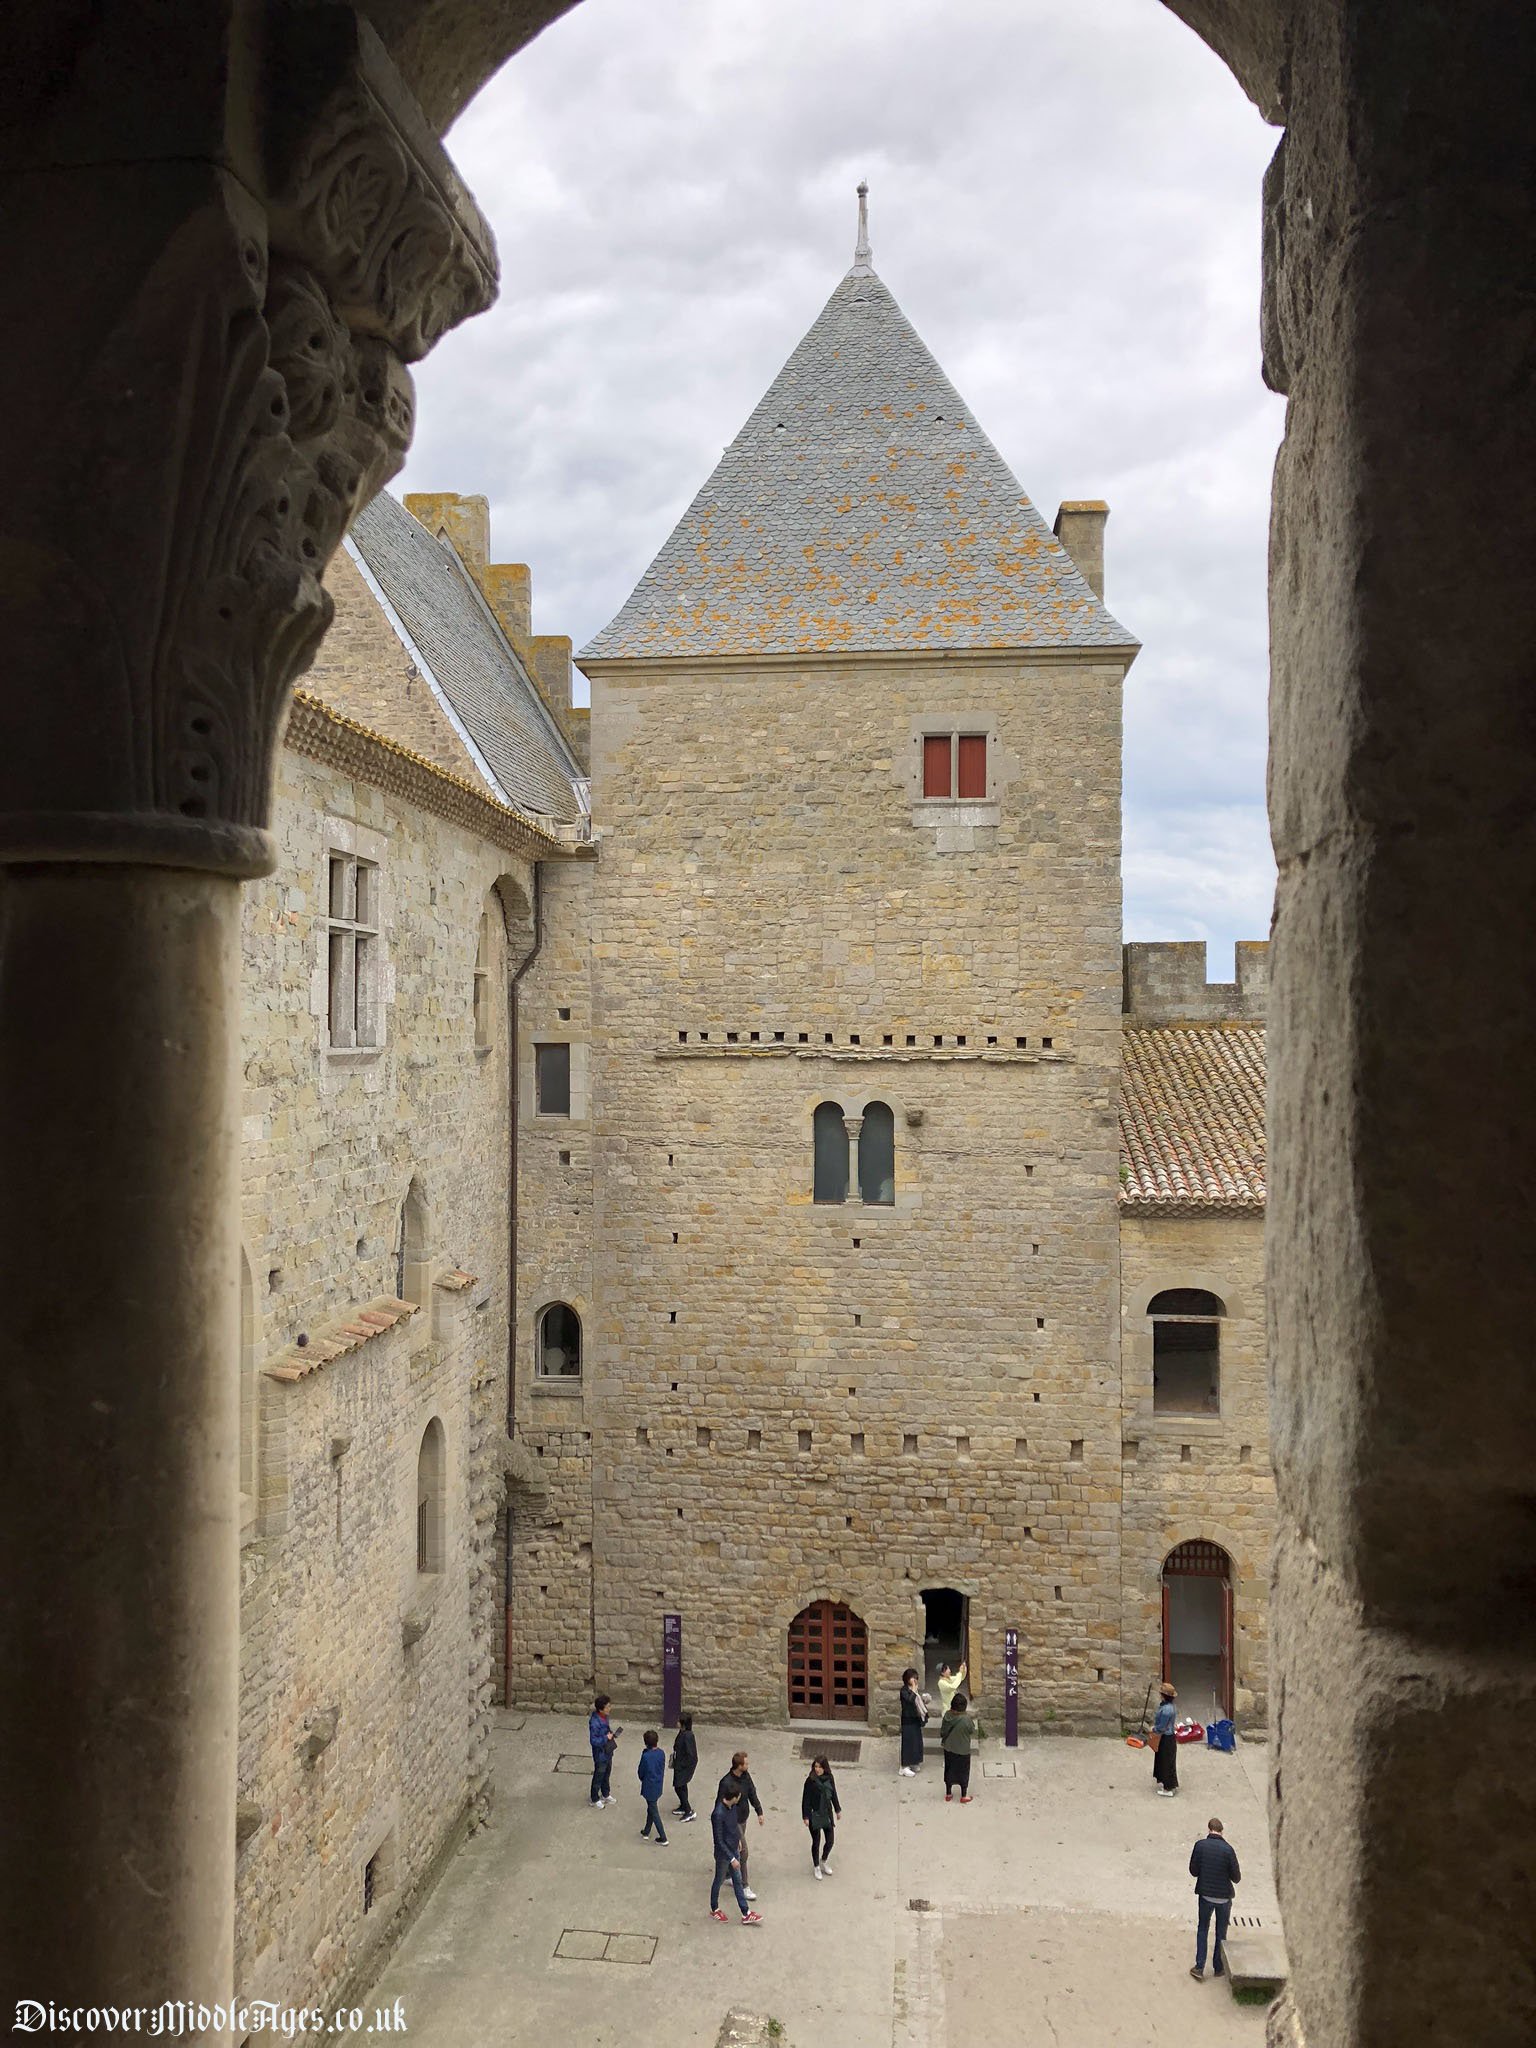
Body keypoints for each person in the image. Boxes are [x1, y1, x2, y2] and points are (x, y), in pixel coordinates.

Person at [1188, 1817, 1242, 1980]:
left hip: (1205, 1895)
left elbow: (1193, 1871)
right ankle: (1218, 1967)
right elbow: (1236, 1877)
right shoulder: (1228, 1849)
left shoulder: (1200, 1846)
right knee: (1221, 1932)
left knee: (1203, 1929)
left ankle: (1199, 1967)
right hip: (1224, 1898)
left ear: (1208, 1828)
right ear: (1221, 1831)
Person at [709, 1785, 762, 1925]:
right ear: (733, 1797)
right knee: (718, 1880)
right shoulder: (718, 1814)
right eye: (738, 1796)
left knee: (738, 1880)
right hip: (723, 1855)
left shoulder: (732, 1808)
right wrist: (731, 1858)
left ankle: (746, 1913)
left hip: (733, 1849)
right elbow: (719, 1840)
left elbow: (733, 1826)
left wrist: (738, 1839)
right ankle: (714, 1908)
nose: (740, 1798)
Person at [716, 1750, 765, 1899]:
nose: (748, 1765)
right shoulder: (726, 1783)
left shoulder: (745, 1776)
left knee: (734, 1848)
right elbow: (720, 1804)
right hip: (732, 1821)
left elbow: (752, 1793)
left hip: (743, 1817)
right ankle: (744, 1885)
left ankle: (727, 1874)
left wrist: (759, 1811)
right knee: (743, 1852)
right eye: (746, 1763)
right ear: (739, 1766)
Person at [801, 1754, 842, 1879]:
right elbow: (806, 1800)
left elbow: (833, 1793)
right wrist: (806, 1816)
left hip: (826, 1812)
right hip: (814, 1814)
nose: (817, 1769)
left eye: (819, 1767)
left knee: (830, 1840)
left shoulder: (829, 1778)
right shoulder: (810, 1781)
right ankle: (816, 1866)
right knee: (816, 1841)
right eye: (815, 1767)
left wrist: (837, 1809)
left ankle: (823, 1860)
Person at [939, 1690, 983, 1803]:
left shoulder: (947, 1716)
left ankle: (948, 1793)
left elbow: (943, 1731)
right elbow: (971, 1730)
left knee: (949, 1770)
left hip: (948, 1748)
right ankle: (964, 1795)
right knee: (963, 1772)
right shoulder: (966, 1719)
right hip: (963, 1750)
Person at [588, 1694, 620, 1808]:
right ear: (601, 1709)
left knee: (606, 1773)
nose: (609, 1708)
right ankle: (594, 1798)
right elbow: (593, 1741)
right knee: (598, 1775)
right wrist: (606, 1738)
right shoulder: (595, 1723)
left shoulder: (604, 1717)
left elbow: (606, 1729)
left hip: (607, 1751)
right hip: (600, 1754)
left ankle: (605, 1794)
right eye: (608, 1706)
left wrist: (611, 1734)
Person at [637, 1728, 668, 1844]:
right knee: (651, 1807)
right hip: (658, 1785)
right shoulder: (661, 1753)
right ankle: (646, 1830)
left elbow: (641, 1772)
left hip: (649, 1786)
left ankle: (663, 1837)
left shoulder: (646, 1756)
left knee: (654, 1811)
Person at [1151, 1681, 1180, 1796]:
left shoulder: (1166, 1710)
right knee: (1167, 1761)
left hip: (1166, 1738)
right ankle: (1169, 1785)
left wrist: (1153, 1729)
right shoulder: (1170, 1707)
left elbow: (1162, 1727)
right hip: (1169, 1737)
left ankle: (1168, 1788)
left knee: (1166, 1762)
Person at [899, 1667, 928, 1776]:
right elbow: (910, 1700)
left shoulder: (914, 1690)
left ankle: (914, 1762)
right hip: (907, 1719)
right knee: (908, 1742)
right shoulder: (904, 1691)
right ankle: (904, 1766)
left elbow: (917, 1702)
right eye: (912, 1678)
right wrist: (914, 1690)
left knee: (916, 1742)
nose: (914, 1680)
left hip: (915, 1719)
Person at [671, 1710, 698, 1820]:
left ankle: (688, 1811)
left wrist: (681, 1765)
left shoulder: (688, 1736)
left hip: (684, 1767)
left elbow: (691, 1755)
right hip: (680, 1764)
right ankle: (683, 1805)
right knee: (682, 1786)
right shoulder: (682, 1732)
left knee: (679, 1787)